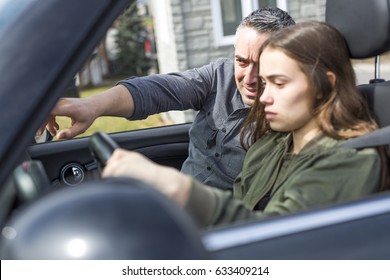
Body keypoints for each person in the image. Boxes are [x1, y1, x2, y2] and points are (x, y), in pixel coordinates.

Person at [101, 21, 389, 228]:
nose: (262, 96)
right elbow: (167, 88)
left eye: (278, 83)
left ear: (324, 85)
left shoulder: (350, 159)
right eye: (265, 82)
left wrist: (175, 186)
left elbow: (276, 243)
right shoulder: (273, 143)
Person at [43, 7, 296, 190]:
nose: (249, 77)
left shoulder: (292, 122)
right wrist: (91, 106)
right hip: (177, 207)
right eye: (241, 61)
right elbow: (159, 89)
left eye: (261, 64)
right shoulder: (220, 75)